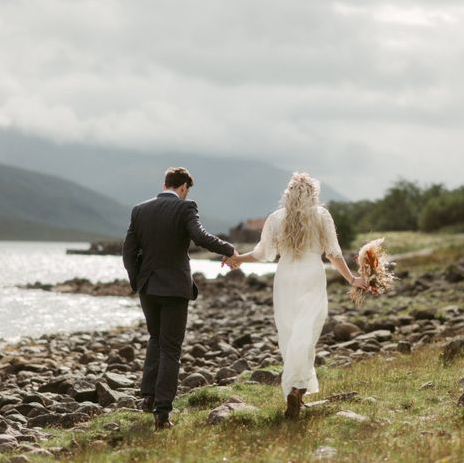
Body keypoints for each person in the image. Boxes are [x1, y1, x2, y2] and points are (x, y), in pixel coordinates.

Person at [233, 172, 367, 418]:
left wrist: (238, 258)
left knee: (289, 332)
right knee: (306, 333)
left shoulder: (276, 218)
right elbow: (333, 254)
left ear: (289, 194)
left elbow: (263, 253)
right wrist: (352, 279)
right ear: (313, 194)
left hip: (285, 277)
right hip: (311, 274)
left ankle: (293, 390)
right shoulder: (321, 216)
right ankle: (297, 389)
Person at [122, 167, 239, 430]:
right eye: (187, 190)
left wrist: (138, 282)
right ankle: (162, 414)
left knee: (155, 339)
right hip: (174, 289)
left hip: (148, 289)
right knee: (171, 349)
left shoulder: (139, 210)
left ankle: (148, 398)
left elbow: (128, 252)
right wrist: (229, 249)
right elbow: (199, 237)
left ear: (165, 184)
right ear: (184, 187)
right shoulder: (185, 208)